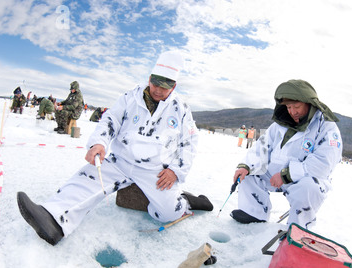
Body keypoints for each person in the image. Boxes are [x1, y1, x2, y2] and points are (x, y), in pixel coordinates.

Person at [16, 51, 212, 246]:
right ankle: (53, 219)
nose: (159, 90)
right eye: (156, 84)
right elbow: (111, 119)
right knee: (88, 179)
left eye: (165, 87)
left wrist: (176, 171)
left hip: (155, 170)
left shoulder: (181, 109)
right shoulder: (130, 97)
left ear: (174, 86)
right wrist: (99, 143)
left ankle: (185, 201)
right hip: (121, 160)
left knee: (168, 213)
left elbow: (189, 142)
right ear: (150, 78)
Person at [230, 79, 342, 229]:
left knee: (309, 188)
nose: (292, 111)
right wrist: (246, 166)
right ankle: (254, 214)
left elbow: (324, 163)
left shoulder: (326, 126)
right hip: (274, 174)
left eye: (297, 106)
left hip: (303, 178)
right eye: (289, 107)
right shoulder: (279, 125)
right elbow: (262, 147)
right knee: (248, 174)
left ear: (310, 103)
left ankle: (298, 228)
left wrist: (286, 175)